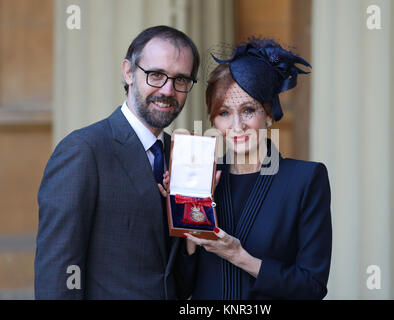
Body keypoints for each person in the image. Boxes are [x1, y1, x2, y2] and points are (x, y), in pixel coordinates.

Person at [35, 25, 199, 299]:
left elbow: (173, 276)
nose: (168, 90)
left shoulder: (182, 156)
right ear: (128, 72)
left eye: (181, 80)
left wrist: (193, 237)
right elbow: (58, 272)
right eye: (156, 75)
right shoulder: (83, 150)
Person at [162, 38, 332, 299]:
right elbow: (180, 288)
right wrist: (186, 221)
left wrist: (240, 257)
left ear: (270, 113)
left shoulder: (305, 180)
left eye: (249, 110)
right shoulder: (200, 178)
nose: (237, 125)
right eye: (224, 113)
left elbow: (312, 287)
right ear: (213, 120)